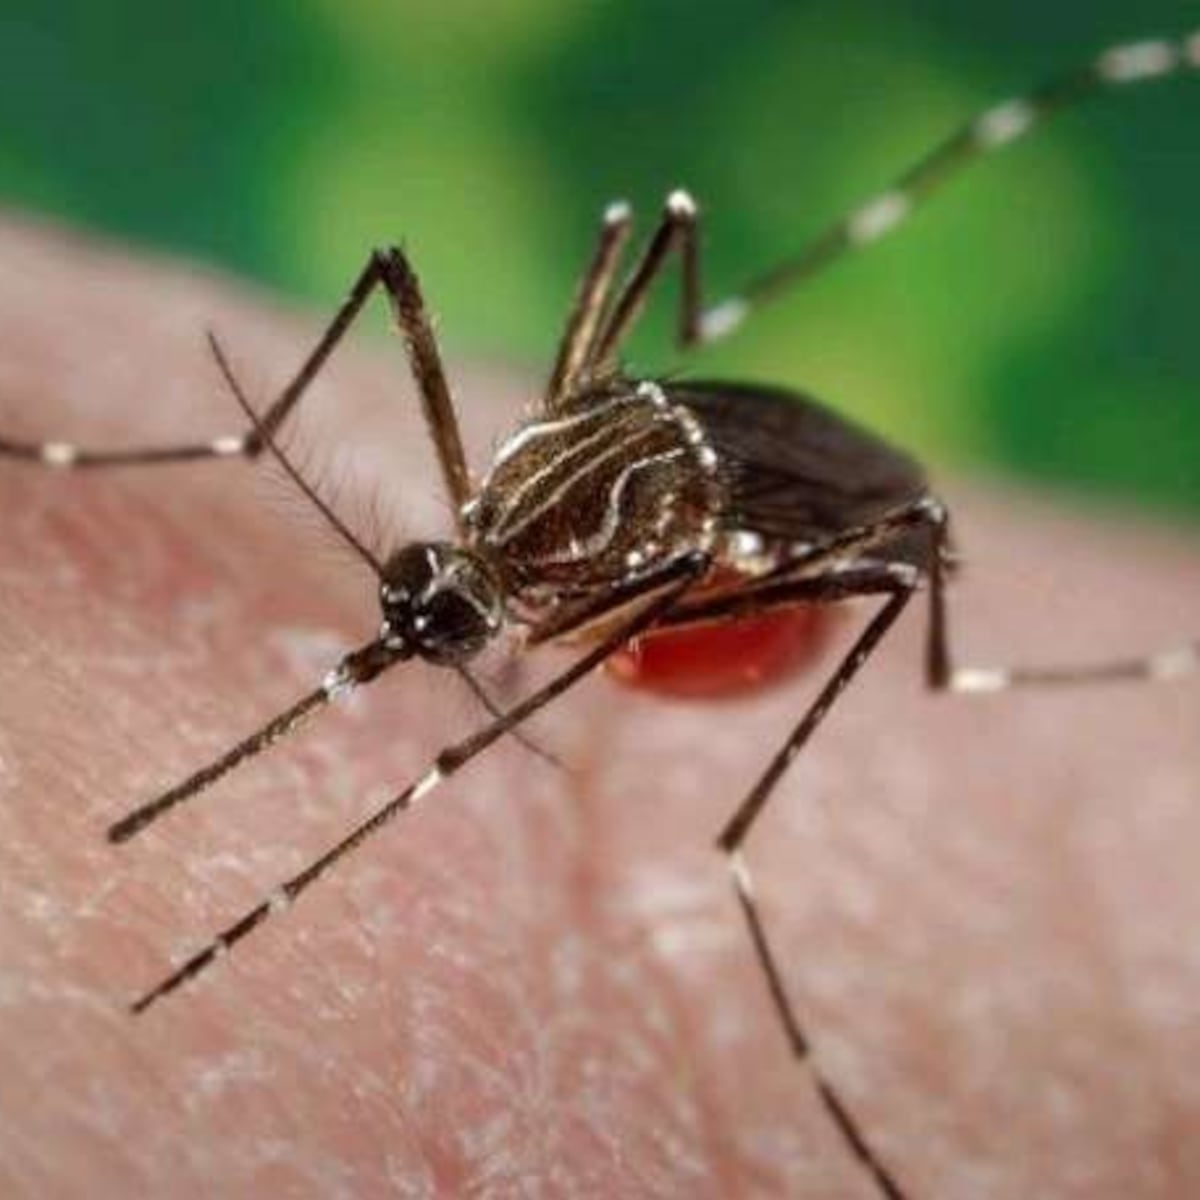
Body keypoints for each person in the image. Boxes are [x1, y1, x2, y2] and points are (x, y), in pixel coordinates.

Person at [0, 213, 1197, 1198]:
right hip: (648, 477)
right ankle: (229, 447)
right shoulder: (494, 518)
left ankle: (762, 824)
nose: (411, 619)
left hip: (728, 526)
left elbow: (690, 572)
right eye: (421, 593)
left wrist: (460, 751)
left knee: (900, 536)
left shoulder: (572, 563)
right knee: (543, 240)